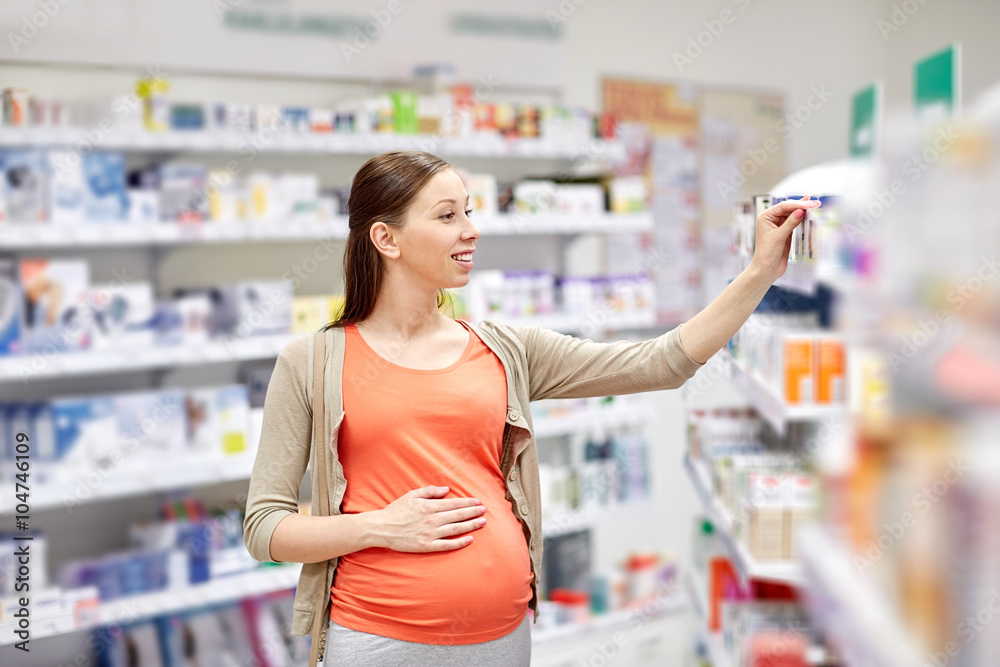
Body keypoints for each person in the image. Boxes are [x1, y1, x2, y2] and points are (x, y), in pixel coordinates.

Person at [243, 150, 819, 666]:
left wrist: (759, 272)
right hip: (379, 638)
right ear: (386, 239)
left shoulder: (504, 348)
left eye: (470, 212)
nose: (470, 230)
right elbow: (265, 528)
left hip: (502, 636)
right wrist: (382, 527)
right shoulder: (312, 361)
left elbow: (661, 363)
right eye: (447, 216)